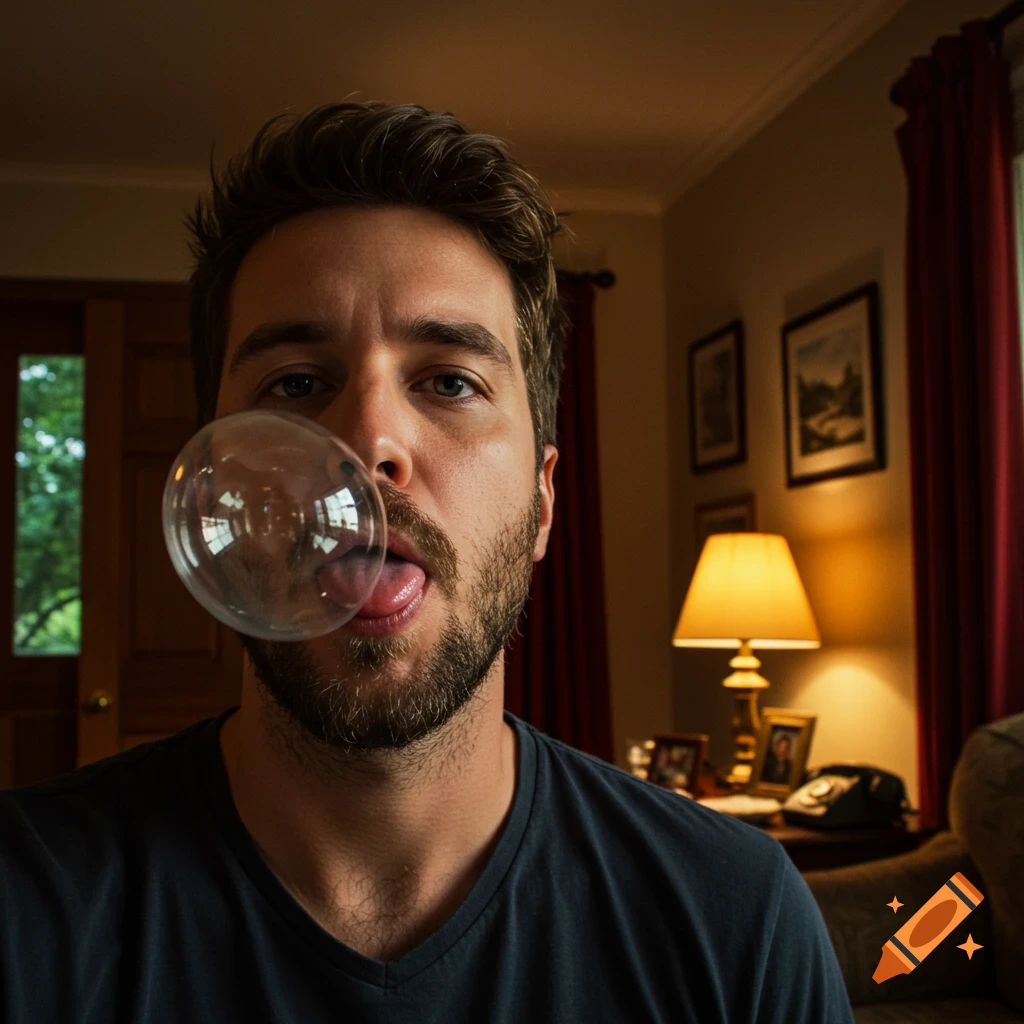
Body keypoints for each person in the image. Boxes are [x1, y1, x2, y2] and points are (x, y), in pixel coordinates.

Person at [0, 102, 854, 1023]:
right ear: (213, 479)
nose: (370, 442)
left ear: (543, 502)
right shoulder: (22, 907)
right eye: (295, 384)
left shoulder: (739, 918)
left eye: (449, 380)